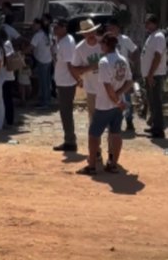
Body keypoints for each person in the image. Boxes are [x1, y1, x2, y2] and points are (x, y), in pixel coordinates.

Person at [78, 34, 131, 175]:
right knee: (116, 133)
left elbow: (107, 87)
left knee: (93, 135)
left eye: (102, 43)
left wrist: (116, 100)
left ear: (106, 45)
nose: (100, 45)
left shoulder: (104, 62)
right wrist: (119, 97)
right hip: (118, 105)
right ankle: (113, 165)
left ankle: (92, 166)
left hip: (104, 105)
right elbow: (129, 81)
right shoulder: (123, 59)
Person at [106, 20, 139, 132]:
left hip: (123, 72)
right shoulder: (107, 40)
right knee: (112, 96)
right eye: (109, 28)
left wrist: (133, 64)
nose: (110, 30)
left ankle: (129, 120)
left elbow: (135, 50)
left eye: (112, 27)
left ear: (118, 28)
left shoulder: (124, 39)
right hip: (110, 73)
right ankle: (113, 121)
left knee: (126, 97)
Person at [51, 18, 79, 151]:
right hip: (62, 80)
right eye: (54, 27)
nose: (54, 29)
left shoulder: (66, 43)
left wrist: (77, 79)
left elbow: (70, 65)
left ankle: (70, 141)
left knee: (66, 113)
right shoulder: (61, 41)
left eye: (57, 27)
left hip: (66, 82)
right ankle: (69, 139)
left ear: (64, 28)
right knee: (65, 112)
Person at [142, 14, 166, 139]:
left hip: (155, 75)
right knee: (152, 102)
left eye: (148, 23)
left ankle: (159, 130)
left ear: (154, 23)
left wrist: (151, 74)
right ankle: (154, 126)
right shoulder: (151, 36)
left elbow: (157, 56)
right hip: (149, 75)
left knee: (156, 102)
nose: (146, 25)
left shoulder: (159, 36)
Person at [29, 18, 53, 109]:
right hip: (48, 60)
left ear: (39, 25)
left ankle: (45, 102)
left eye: (34, 24)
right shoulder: (47, 34)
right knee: (46, 82)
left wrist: (22, 52)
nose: (33, 26)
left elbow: (31, 47)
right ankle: (46, 99)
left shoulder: (38, 35)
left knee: (43, 82)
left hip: (42, 61)